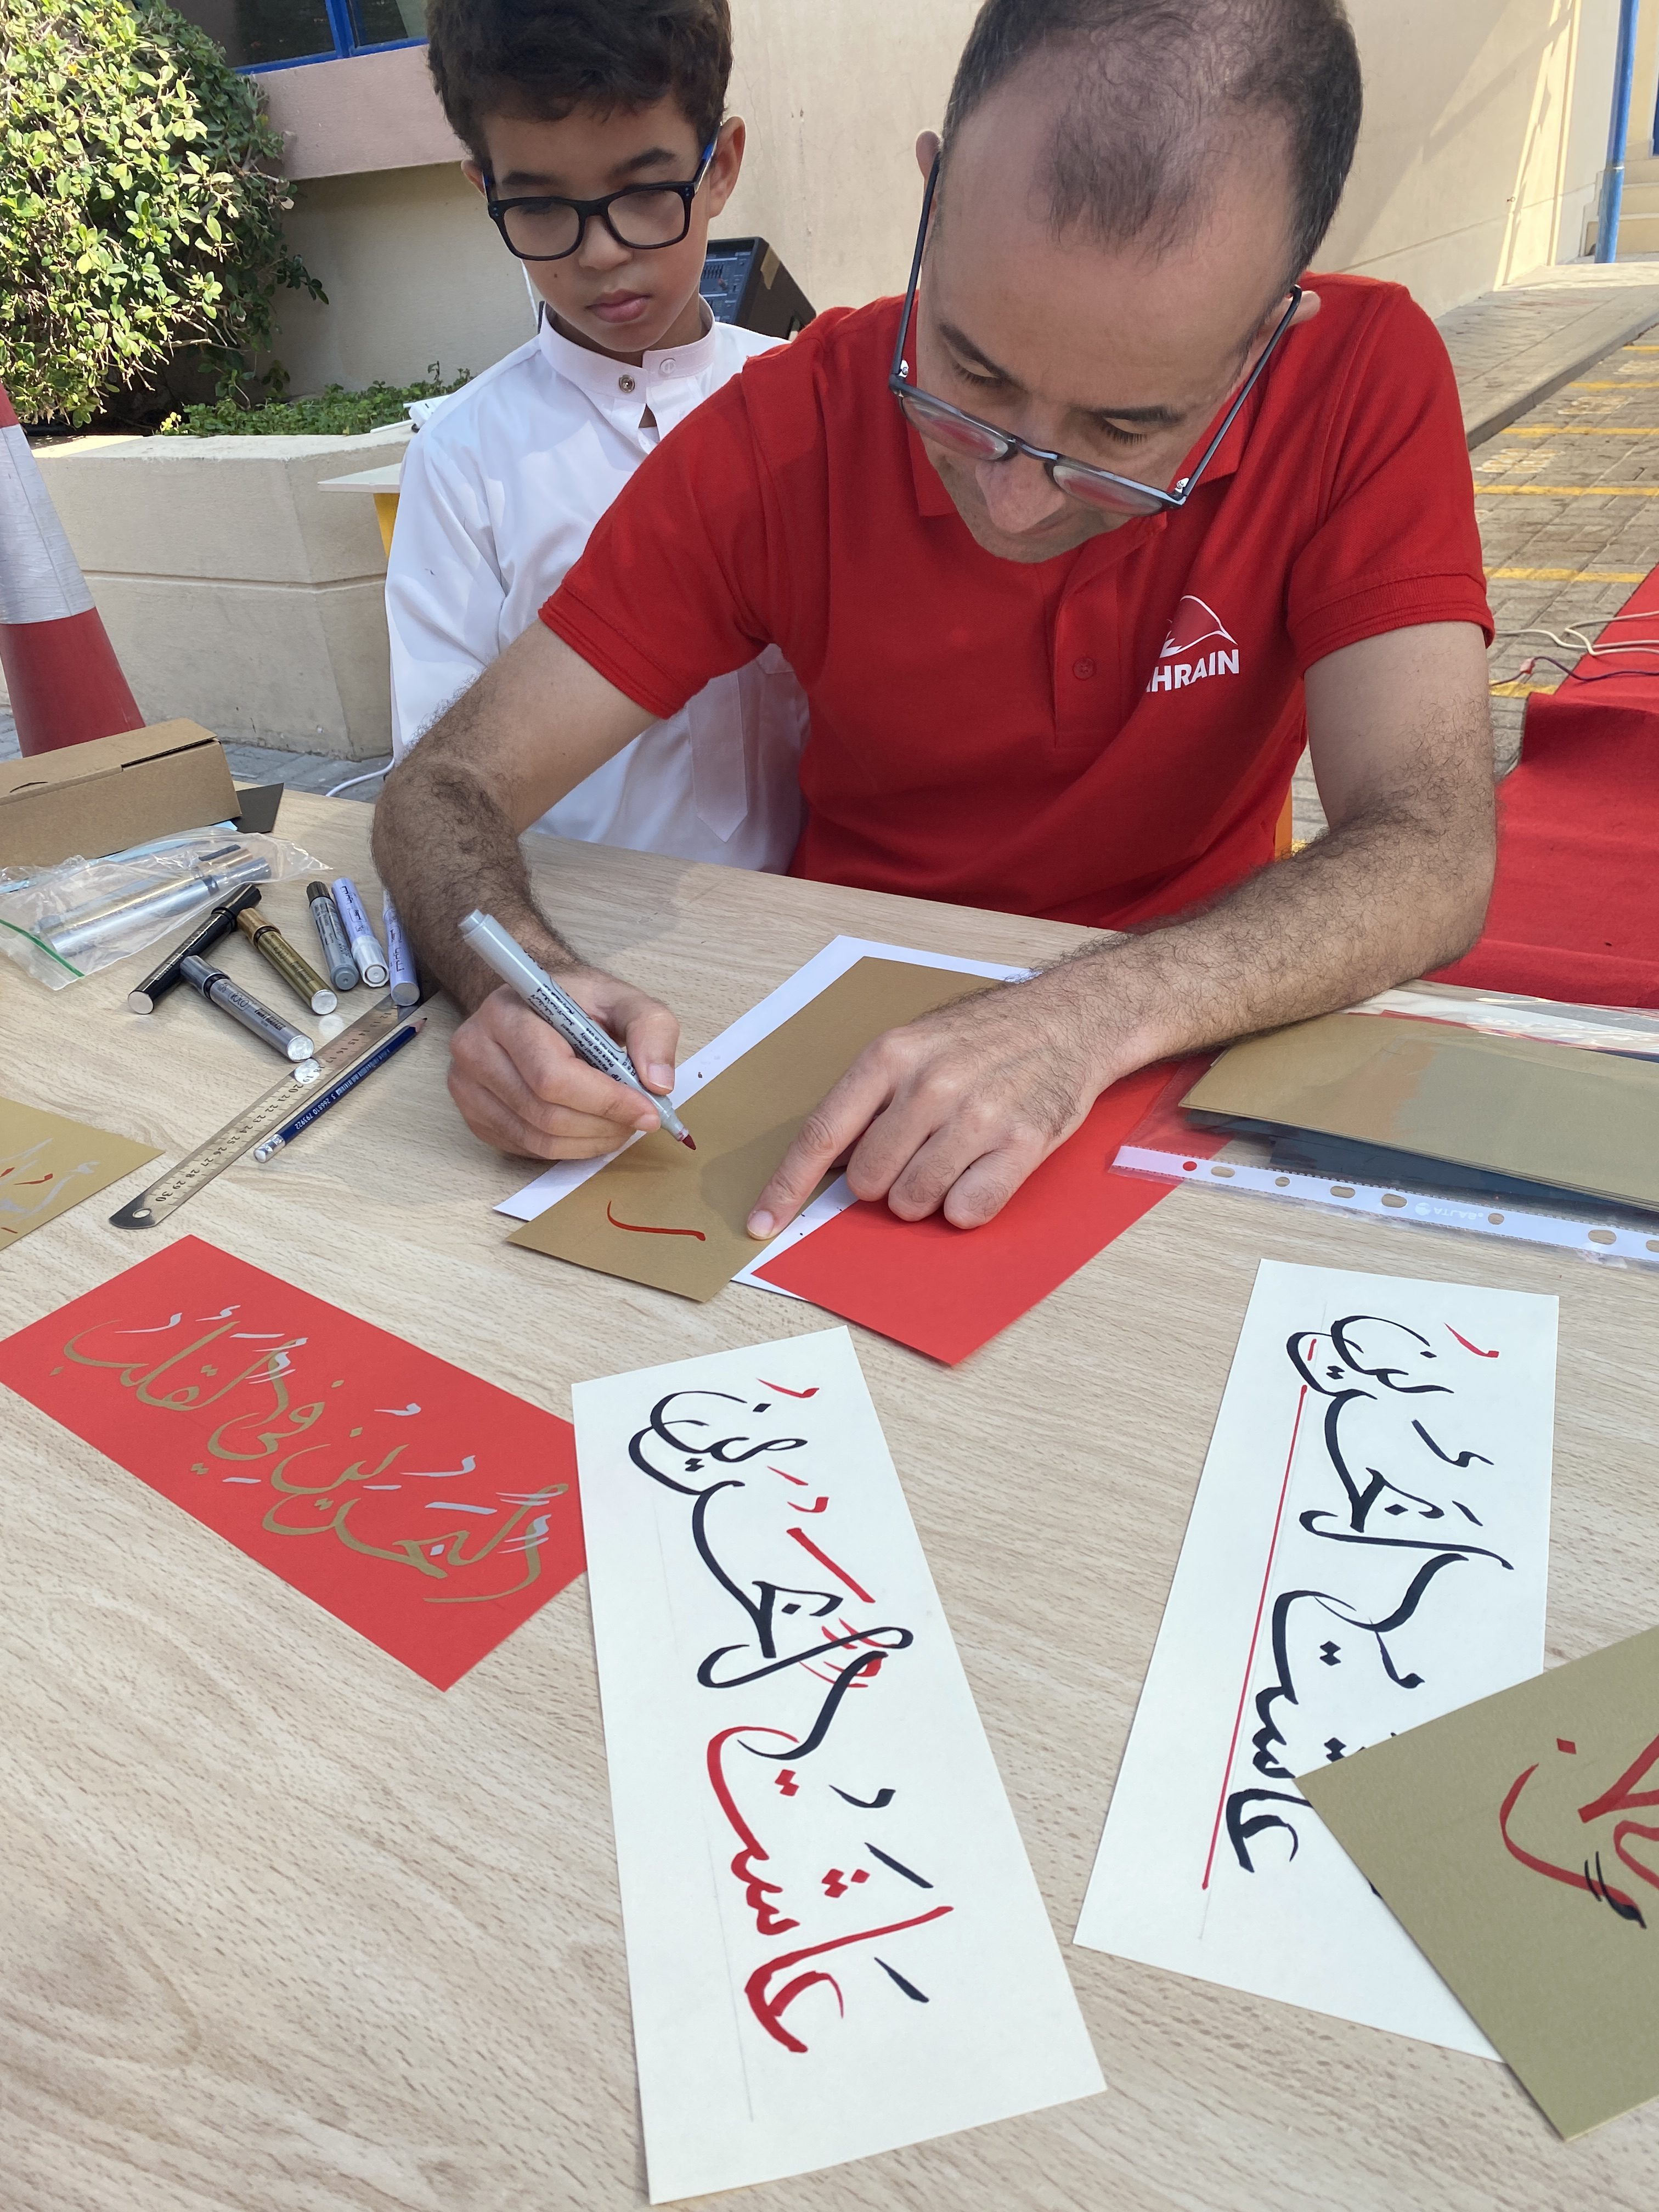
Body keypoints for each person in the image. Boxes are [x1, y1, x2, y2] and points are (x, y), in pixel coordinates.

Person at [374, 0, 1497, 1245]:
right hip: (844, 1050)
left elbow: (1433, 847)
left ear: (1267, 340)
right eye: (969, 375)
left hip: (1203, 1029)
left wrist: (1081, 1017)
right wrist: (521, 981)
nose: (1016, 502)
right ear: (933, 200)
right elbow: (443, 787)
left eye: (1126, 431)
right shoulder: (783, 431)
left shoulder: (1358, 381)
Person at [386, 0, 806, 868]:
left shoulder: (807, 404)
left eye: (646, 192)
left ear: (720, 166)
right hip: (578, 923)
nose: (603, 253)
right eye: (541, 205)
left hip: (825, 912)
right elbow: (440, 773)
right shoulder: (463, 459)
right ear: (488, 191)